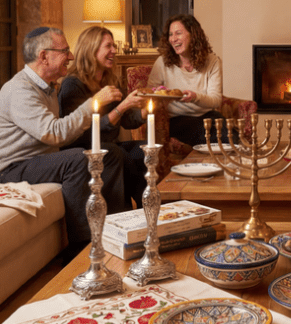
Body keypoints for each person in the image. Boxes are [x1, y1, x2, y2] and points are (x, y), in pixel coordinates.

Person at [0, 26, 127, 247]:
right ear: (44, 56)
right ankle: (82, 249)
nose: (71, 56)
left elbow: (61, 135)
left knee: (109, 154)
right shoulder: (20, 90)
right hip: (7, 170)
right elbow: (55, 133)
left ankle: (118, 232)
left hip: (34, 161)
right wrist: (94, 103)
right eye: (64, 51)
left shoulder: (48, 88)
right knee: (77, 159)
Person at [59, 26, 148, 207]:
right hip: (82, 148)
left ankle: (145, 207)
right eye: (108, 46)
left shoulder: (109, 80)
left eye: (113, 46)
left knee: (144, 150)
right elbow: (80, 133)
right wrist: (122, 107)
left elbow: (127, 120)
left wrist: (148, 109)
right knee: (118, 154)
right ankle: (132, 210)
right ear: (91, 49)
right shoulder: (72, 84)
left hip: (109, 145)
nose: (114, 51)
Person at [147, 15, 227, 147]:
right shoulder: (162, 62)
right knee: (208, 133)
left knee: (226, 130)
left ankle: (238, 159)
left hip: (206, 116)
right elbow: (149, 94)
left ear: (193, 35)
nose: (173, 39)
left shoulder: (212, 61)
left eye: (178, 33)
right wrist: (162, 97)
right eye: (171, 34)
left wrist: (195, 97)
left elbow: (216, 100)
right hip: (177, 120)